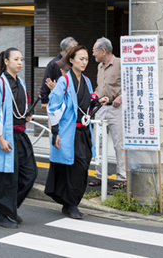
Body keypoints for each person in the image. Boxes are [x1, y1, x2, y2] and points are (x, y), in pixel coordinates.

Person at [45, 45, 109, 219]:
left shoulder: (87, 81)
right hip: (68, 132)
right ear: (71, 60)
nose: (84, 62)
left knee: (82, 165)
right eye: (81, 59)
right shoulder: (64, 81)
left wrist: (97, 101)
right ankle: (72, 204)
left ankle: (69, 202)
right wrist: (55, 132)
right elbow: (53, 107)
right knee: (74, 167)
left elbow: (87, 103)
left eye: (86, 59)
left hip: (83, 132)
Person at [0, 48, 38, 229]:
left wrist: (26, 115)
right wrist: (0, 138)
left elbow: (21, 107)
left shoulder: (20, 82)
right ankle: (4, 214)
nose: (20, 62)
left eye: (21, 59)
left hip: (20, 134)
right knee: (6, 177)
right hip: (5, 136)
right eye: (16, 59)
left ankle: (11, 207)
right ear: (6, 61)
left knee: (30, 173)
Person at [88, 37, 125, 189]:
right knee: (99, 143)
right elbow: (100, 86)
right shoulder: (100, 66)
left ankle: (122, 177)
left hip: (117, 108)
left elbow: (129, 84)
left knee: (119, 143)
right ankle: (100, 175)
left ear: (103, 51)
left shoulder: (121, 63)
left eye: (94, 51)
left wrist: (121, 97)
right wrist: (94, 96)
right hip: (102, 107)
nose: (93, 54)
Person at [40, 37, 78, 109]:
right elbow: (46, 81)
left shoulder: (75, 62)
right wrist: (44, 100)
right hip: (56, 99)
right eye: (72, 50)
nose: (74, 52)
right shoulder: (53, 63)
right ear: (63, 50)